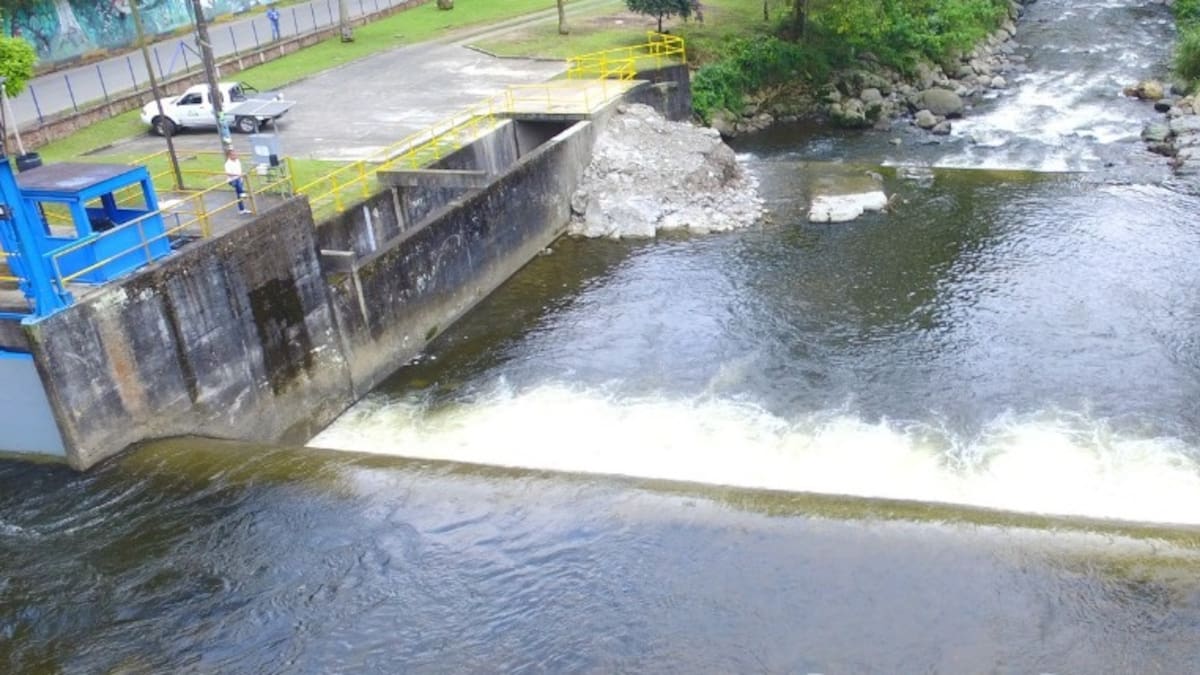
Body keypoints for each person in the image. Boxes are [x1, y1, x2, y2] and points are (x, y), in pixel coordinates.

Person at [224, 150, 251, 215]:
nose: (235, 156)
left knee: (239, 194)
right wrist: (238, 175)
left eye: (235, 154)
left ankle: (242, 209)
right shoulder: (227, 164)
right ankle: (243, 194)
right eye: (233, 155)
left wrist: (241, 174)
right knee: (238, 185)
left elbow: (239, 170)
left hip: (239, 179)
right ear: (229, 156)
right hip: (232, 180)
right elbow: (228, 173)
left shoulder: (237, 161)